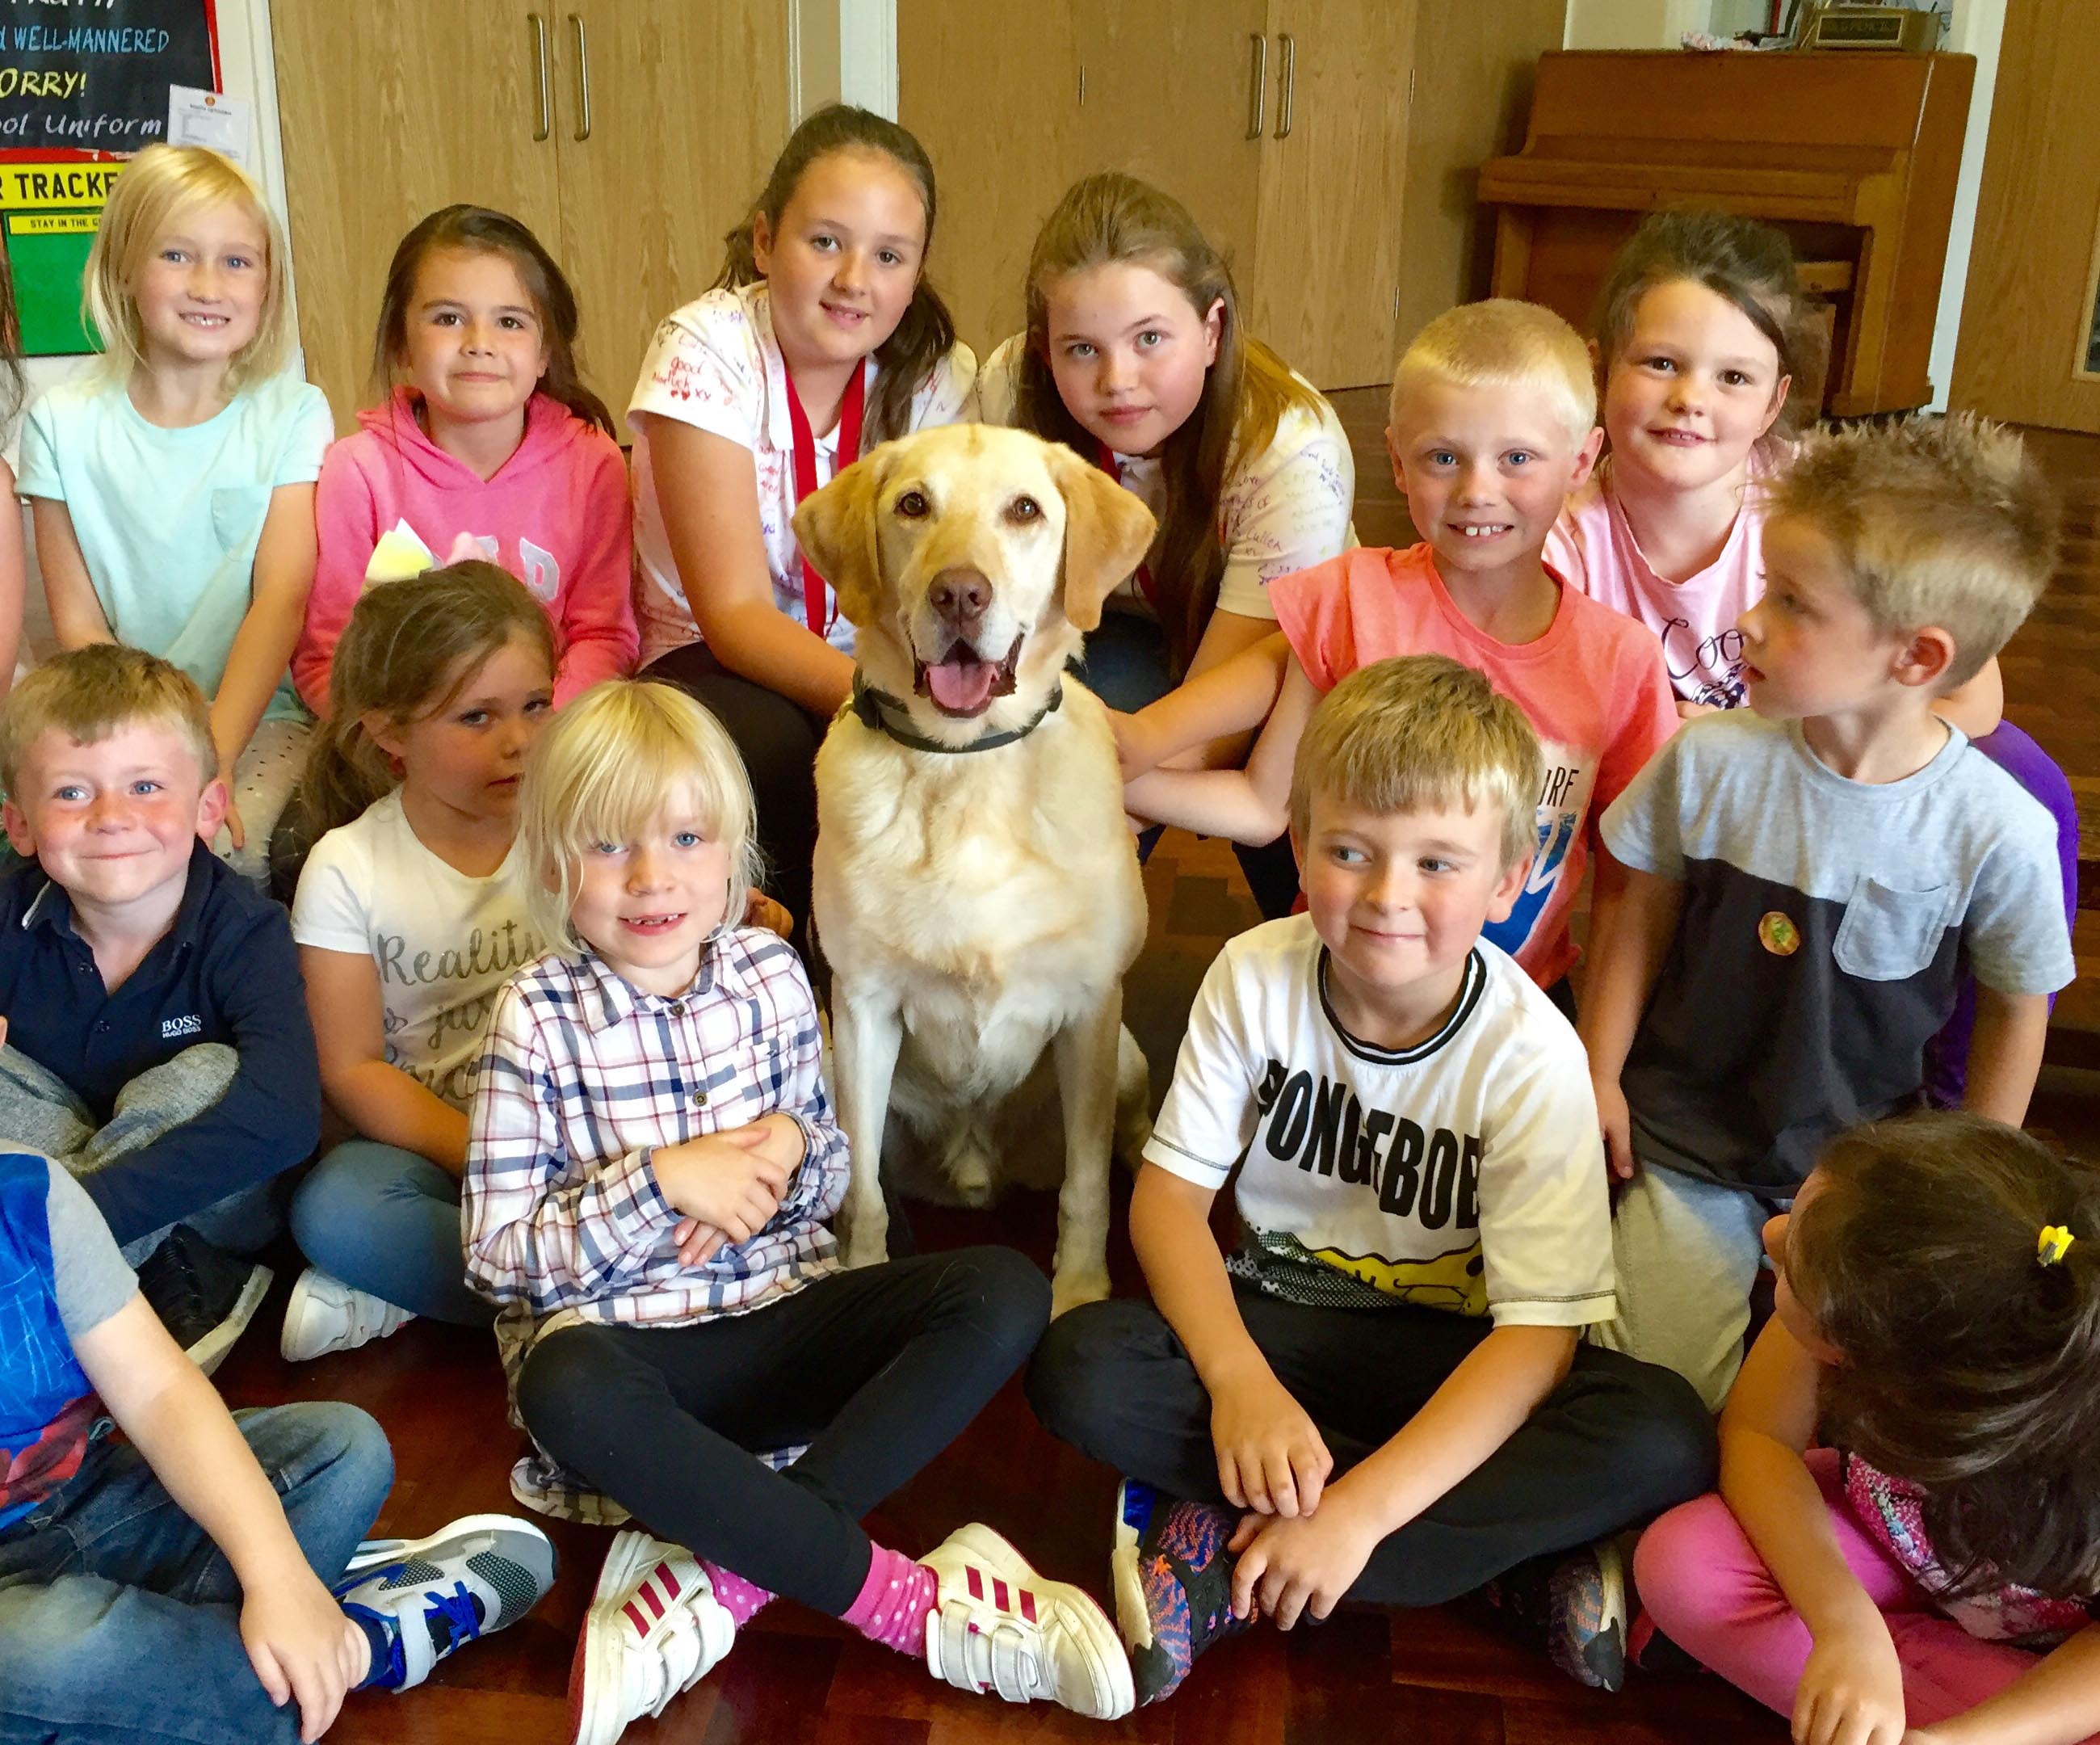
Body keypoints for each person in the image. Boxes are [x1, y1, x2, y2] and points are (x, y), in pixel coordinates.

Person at [1028, 657, 1715, 1703]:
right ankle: (1493, 1565)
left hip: (1457, 1361)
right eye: (1350, 853)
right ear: (1299, 844)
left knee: (1664, 1435)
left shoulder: (1532, 1052)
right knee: (1081, 1363)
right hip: (1281, 1327)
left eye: (1439, 863)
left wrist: (1353, 1515)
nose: (1390, 898)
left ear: (1509, 875)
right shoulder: (1254, 973)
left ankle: (1235, 1552)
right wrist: (1239, 1386)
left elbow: (1537, 1339)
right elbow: (1169, 1202)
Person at [466, 679, 1134, 1740]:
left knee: (1003, 1290)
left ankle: (727, 1578)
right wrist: (659, 1183)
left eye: (687, 838)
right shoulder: (534, 1017)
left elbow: (829, 1182)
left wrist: (794, 1146)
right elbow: (499, 1263)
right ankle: (907, 1605)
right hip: (642, 1372)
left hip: (782, 1329)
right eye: (608, 847)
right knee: (560, 1380)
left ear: (734, 854)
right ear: (553, 863)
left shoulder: (773, 973)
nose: (652, 878)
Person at [1582, 415, 2077, 1411]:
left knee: (1850, 1418)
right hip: (1687, 1147)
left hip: (1862, 1174)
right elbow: (1636, 909)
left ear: (1914, 655)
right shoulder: (1709, 759)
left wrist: (1970, 1181)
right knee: (1652, 1397)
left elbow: (2018, 1005)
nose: (1748, 624)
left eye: (1791, 603)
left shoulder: (1995, 829)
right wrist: (1594, 1075)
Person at [1115, 300, 1677, 1007]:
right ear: (1398, 463)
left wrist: (1598, 1066)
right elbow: (1263, 806)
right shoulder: (1356, 599)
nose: (1478, 492)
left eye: (1517, 459)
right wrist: (1094, 758)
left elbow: (1635, 886)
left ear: (1582, 461)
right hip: (1334, 995)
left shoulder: (1620, 663)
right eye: (1444, 457)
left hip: (1513, 1011)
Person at [0, 1144, 556, 1743]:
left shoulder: (31, 1190)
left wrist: (275, 1575)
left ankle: (225, 1653)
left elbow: (158, 1390)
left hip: (78, 1502)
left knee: (346, 1449)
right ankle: (359, 1644)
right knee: (53, 1657)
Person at [1636, 1114, 2100, 1745]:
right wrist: (1845, 1626)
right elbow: (1758, 1438)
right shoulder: (1865, 1297)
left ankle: (1894, 1699)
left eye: (1794, 1266)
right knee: (1683, 1560)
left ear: (1868, 1355)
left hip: (2060, 1662)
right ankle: (1891, 1680)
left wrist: (1970, 1739)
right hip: (1892, 1560)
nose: (1771, 1235)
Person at [628, 103, 975, 936]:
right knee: (789, 755)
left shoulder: (934, 377)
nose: (855, 279)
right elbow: (737, 616)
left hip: (876, 655)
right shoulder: (703, 349)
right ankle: (790, 994)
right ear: (761, 242)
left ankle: (922, 1004)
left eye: (888, 255)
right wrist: (886, 707)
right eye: (825, 241)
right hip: (710, 658)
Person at [972, 171, 1355, 918]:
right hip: (1119, 628)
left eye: (1151, 338)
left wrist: (1061, 782)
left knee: (1319, 831)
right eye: (1081, 349)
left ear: (1212, 331)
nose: (1118, 381)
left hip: (1268, 659)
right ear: (1044, 353)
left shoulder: (1289, 449)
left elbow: (1213, 725)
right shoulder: (1007, 393)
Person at [18, 144, 332, 884]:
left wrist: (210, 760)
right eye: (177, 255)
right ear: (125, 268)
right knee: (81, 850)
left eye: (236, 262)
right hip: (117, 715)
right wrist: (148, 757)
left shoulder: (293, 412)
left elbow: (280, 602)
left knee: (231, 854)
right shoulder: (60, 424)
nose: (207, 285)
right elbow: (79, 628)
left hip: (259, 716)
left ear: (267, 285)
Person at [0, 645, 317, 1370]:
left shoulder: (246, 931)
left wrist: (72, 1227)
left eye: (145, 786)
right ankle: (147, 1296)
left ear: (208, 808)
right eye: (72, 794)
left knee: (206, 1074)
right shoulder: (8, 915)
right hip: (60, 1181)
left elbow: (287, 1118)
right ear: (19, 826)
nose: (112, 818)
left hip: (202, 1203)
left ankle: (45, 1292)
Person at [279, 564, 555, 1360]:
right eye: (476, 717)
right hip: (430, 1149)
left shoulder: (575, 823)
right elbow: (354, 1069)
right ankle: (579, 1304)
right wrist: (488, 1155)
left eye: (535, 705)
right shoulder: (347, 867)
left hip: (577, 1126)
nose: (519, 741)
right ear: (390, 732)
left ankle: (423, 1290)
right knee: (337, 1211)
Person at [294, 204, 635, 716]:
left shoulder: (593, 463)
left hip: (550, 738)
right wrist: (411, 743)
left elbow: (605, 636)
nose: (480, 344)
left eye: (510, 322)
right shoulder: (358, 471)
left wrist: (536, 730)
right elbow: (327, 657)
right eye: (449, 318)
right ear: (400, 344)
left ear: (545, 353)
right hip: (408, 747)